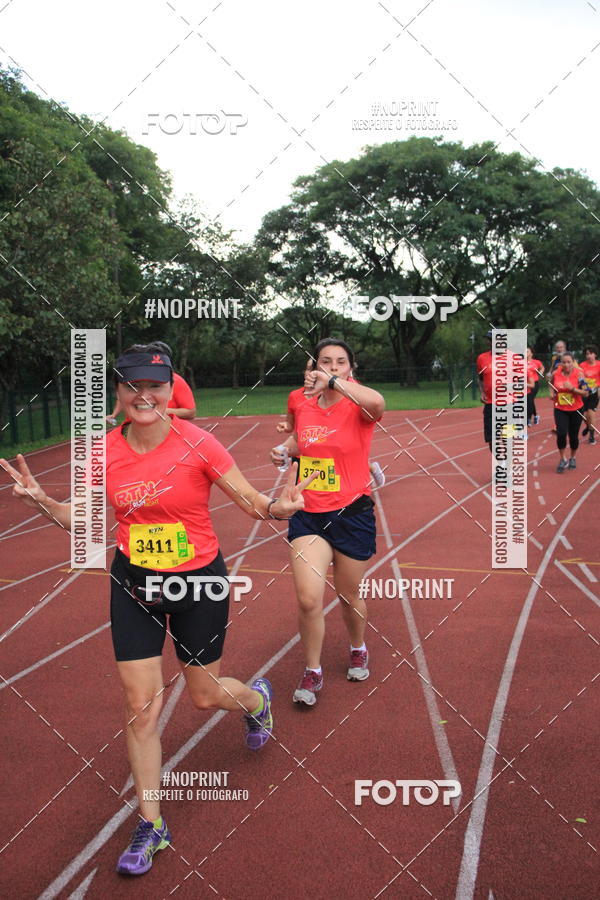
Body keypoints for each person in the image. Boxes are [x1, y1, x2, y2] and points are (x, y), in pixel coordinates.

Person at [1, 342, 317, 877]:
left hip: (198, 581)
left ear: (171, 390)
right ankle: (152, 822)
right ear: (119, 391)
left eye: (154, 385)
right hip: (134, 582)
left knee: (202, 695)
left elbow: (252, 503)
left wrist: (277, 508)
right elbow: (81, 520)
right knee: (140, 706)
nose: (143, 394)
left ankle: (254, 701)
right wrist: (45, 502)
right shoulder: (102, 451)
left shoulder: (200, 444)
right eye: (132, 385)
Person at [271, 338, 385, 707]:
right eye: (324, 362)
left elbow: (379, 404)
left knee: (348, 595)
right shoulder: (301, 402)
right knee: (307, 599)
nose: (332, 367)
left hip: (351, 513)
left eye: (339, 362)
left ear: (349, 369)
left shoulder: (359, 405)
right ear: (312, 367)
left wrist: (336, 384)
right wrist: (283, 450)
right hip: (308, 512)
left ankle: (357, 647)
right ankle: (313, 669)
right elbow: (299, 439)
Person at [276, 364, 386, 488]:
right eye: (308, 369)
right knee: (305, 490)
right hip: (307, 447)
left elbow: (373, 402)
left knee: (345, 469)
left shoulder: (344, 389)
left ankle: (369, 469)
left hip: (333, 443)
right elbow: (291, 425)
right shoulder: (295, 396)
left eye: (313, 369)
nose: (311, 373)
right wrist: (285, 429)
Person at [107, 341, 196, 424]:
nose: (144, 395)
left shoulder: (177, 380)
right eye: (134, 386)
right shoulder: (132, 376)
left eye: (155, 386)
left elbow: (190, 412)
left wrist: (156, 409)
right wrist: (114, 414)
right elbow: (122, 396)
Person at [549, 352, 589, 472]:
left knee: (573, 437)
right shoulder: (556, 374)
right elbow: (550, 384)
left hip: (576, 409)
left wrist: (573, 389)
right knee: (561, 434)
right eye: (564, 362)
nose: (566, 364)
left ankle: (572, 457)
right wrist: (551, 393)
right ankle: (563, 459)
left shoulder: (579, 375)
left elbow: (586, 392)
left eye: (569, 362)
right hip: (560, 409)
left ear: (573, 362)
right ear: (561, 363)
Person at [580, 345, 600, 444]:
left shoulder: (599, 365)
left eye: (591, 353)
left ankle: (591, 436)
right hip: (584, 393)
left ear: (595, 354)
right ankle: (588, 427)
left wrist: (596, 387)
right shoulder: (582, 365)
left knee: (591, 413)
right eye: (587, 354)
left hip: (594, 393)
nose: (589, 356)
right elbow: (580, 378)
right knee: (584, 415)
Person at [526, 347, 544, 425]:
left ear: (531, 354)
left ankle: (528, 419)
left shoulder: (536, 362)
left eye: (527, 351)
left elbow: (542, 367)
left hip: (534, 384)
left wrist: (541, 372)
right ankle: (536, 415)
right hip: (526, 384)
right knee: (529, 400)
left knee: (530, 400)